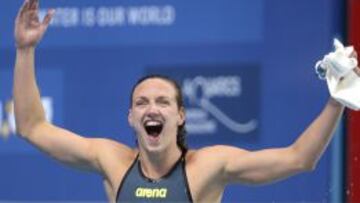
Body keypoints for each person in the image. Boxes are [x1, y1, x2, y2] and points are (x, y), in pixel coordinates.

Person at [13, 0, 358, 202]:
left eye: (163, 102)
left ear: (180, 116)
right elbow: (31, 127)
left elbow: (299, 159)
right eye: (142, 103)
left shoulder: (208, 167)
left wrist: (336, 100)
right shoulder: (112, 162)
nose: (152, 108)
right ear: (130, 118)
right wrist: (25, 49)